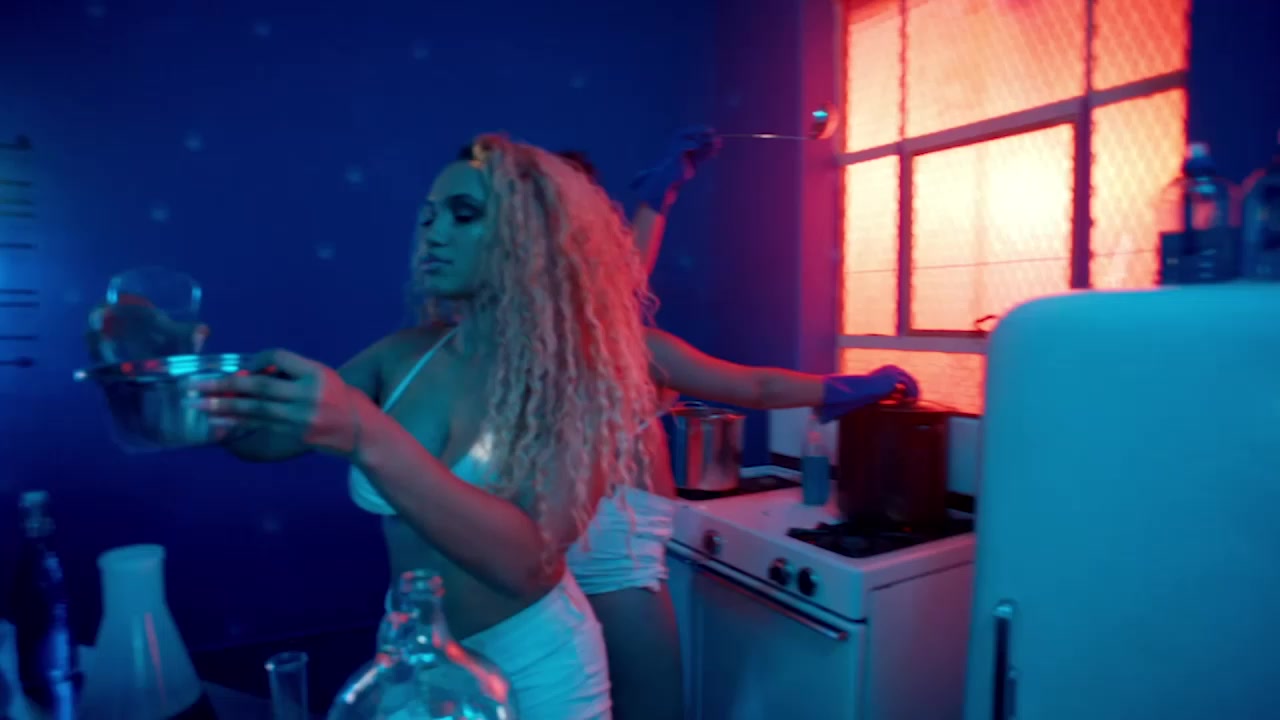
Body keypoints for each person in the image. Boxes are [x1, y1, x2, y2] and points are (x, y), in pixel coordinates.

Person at [183, 134, 658, 719]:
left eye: (464, 215)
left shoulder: (577, 378)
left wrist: (366, 435)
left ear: (530, 237)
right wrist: (172, 378)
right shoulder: (404, 356)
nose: (433, 233)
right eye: (429, 217)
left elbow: (527, 562)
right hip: (413, 657)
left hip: (533, 668)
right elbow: (265, 437)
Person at [553, 138, 917, 720]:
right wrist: (842, 388)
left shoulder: (559, 331)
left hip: (588, 547)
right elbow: (757, 389)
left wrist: (656, 204)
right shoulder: (632, 348)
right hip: (616, 562)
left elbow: (616, 288)